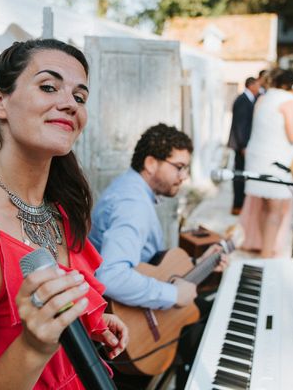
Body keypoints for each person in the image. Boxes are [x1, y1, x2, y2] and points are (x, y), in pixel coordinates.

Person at [0, 39, 128, 390]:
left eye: (80, 96)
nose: (69, 104)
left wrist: (92, 321)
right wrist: (33, 346)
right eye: (49, 86)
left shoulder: (59, 208)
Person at [89, 123, 228, 389]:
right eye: (179, 166)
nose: (184, 176)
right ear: (151, 163)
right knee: (210, 322)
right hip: (129, 329)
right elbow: (111, 276)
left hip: (137, 317)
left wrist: (201, 265)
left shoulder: (133, 191)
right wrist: (174, 295)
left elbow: (152, 266)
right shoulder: (133, 206)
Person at [240, 69, 293, 257]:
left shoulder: (264, 97)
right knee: (275, 211)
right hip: (276, 161)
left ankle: (264, 247)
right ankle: (266, 253)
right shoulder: (289, 101)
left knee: (263, 205)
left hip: (257, 157)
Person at [227, 77, 261, 215]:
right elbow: (240, 126)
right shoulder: (243, 100)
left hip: (243, 145)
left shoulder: (249, 99)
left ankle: (241, 204)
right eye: (257, 85)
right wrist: (243, 146)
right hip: (241, 146)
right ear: (251, 85)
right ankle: (237, 205)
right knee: (239, 175)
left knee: (242, 175)